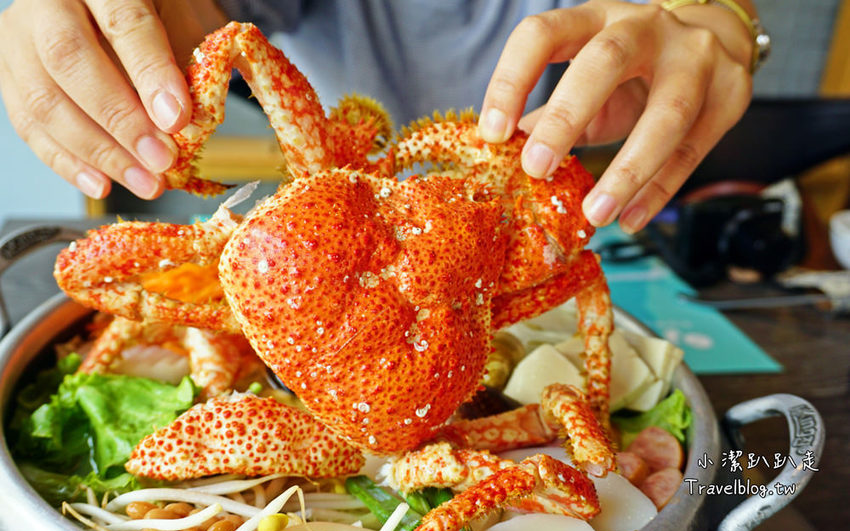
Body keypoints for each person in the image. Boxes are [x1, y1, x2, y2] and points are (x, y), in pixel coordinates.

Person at [0, 0, 757, 234]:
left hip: (543, 207)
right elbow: (199, 18)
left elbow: (693, 15)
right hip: (328, 209)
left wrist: (721, 21)